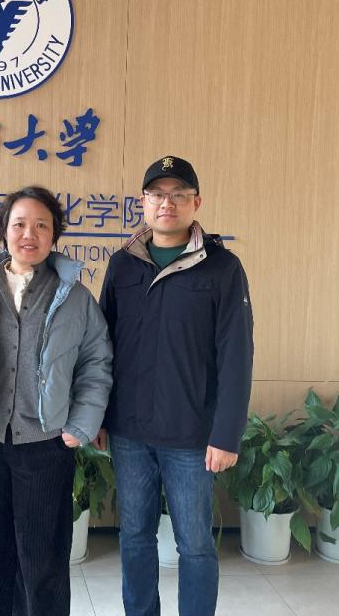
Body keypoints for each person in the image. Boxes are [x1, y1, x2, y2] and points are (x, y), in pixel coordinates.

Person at [95, 155, 254, 616]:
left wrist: (226, 434)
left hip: (190, 434)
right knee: (135, 537)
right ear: (143, 202)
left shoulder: (222, 268)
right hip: (129, 431)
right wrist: (99, 416)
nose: (167, 203)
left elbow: (237, 354)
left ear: (196, 203)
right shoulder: (123, 265)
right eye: (158, 194)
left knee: (195, 544)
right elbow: (102, 346)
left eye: (179, 194)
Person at [0, 186, 113, 616]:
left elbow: (96, 362)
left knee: (44, 559)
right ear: (4, 230)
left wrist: (81, 423)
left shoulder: (74, 296)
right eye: (19, 224)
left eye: (41, 225)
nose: (29, 234)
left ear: (55, 234)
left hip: (46, 442)